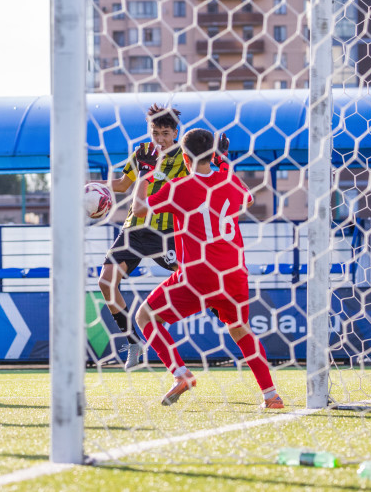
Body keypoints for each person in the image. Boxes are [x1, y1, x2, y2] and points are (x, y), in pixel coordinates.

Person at [130, 129, 284, 408]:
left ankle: (180, 373)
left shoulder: (178, 188)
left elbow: (138, 210)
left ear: (184, 157)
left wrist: (145, 173)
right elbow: (247, 198)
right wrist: (223, 162)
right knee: (241, 330)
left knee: (145, 316)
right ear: (212, 154)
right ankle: (271, 395)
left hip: (197, 275)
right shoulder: (230, 181)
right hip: (234, 273)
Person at [96, 104, 188, 370]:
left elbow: (195, 186)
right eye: (154, 132)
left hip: (168, 231)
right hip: (134, 229)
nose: (158, 139)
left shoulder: (185, 157)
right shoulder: (142, 152)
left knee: (195, 278)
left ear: (175, 133)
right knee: (105, 282)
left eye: (164, 133)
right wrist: (90, 186)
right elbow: (123, 185)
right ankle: (133, 340)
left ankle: (224, 313)